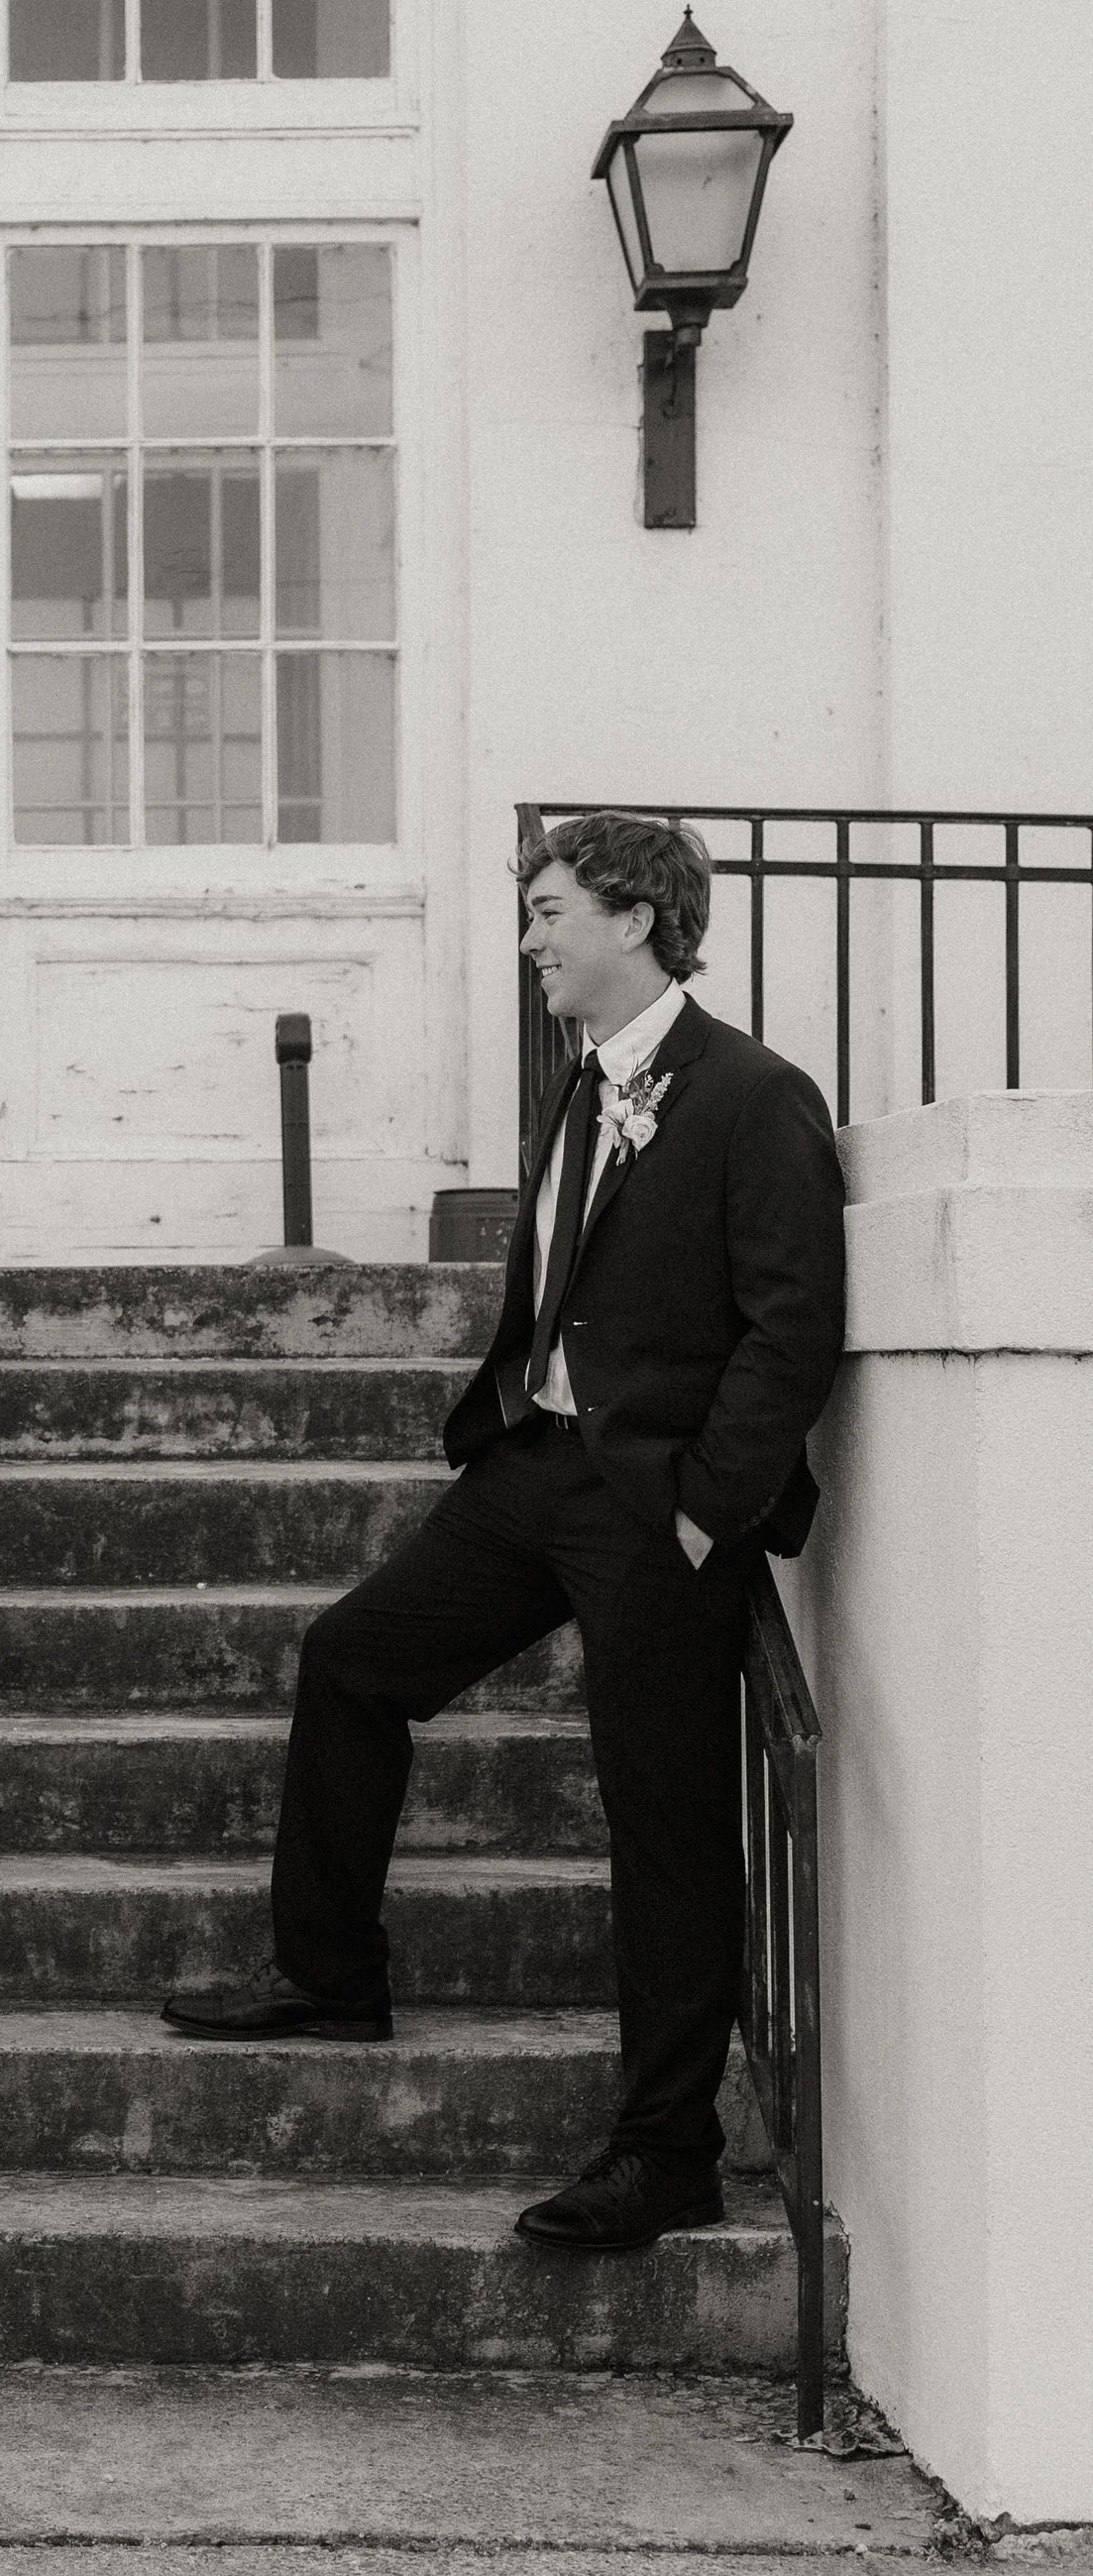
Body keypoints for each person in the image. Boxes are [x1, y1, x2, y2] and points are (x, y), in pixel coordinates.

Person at [164, 815, 846, 2252]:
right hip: (534, 1467)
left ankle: (666, 2152)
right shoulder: (582, 1083)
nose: (530, 940)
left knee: (664, 1821)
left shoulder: (756, 1096)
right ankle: (331, 1973)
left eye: (549, 912)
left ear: (636, 921)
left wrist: (706, 1512)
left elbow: (792, 1330)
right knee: (354, 1660)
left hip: (657, 1506)